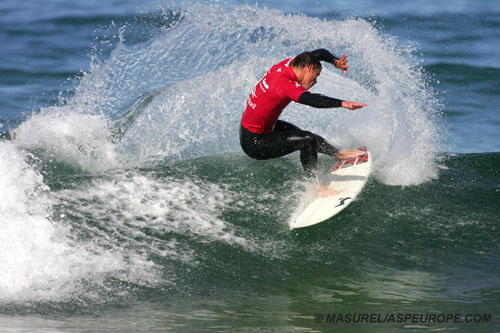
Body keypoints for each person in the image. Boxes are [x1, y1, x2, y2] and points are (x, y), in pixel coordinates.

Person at [239, 49, 368, 197]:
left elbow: (318, 53)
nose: (316, 81)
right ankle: (315, 186)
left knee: (307, 137)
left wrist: (335, 62)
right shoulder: (285, 85)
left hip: (263, 127)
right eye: (316, 75)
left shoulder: (289, 65)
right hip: (255, 143)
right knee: (307, 140)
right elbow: (311, 100)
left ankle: (337, 154)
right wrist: (343, 103)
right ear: (309, 68)